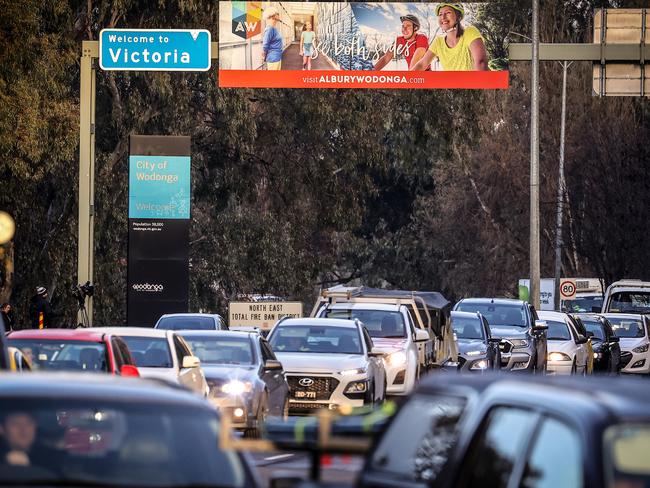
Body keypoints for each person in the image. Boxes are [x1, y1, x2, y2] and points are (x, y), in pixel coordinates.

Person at [411, 3, 488, 71]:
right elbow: (422, 64)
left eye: (448, 13)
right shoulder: (438, 41)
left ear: (458, 17)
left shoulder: (470, 32)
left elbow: (481, 62)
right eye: (440, 14)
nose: (443, 17)